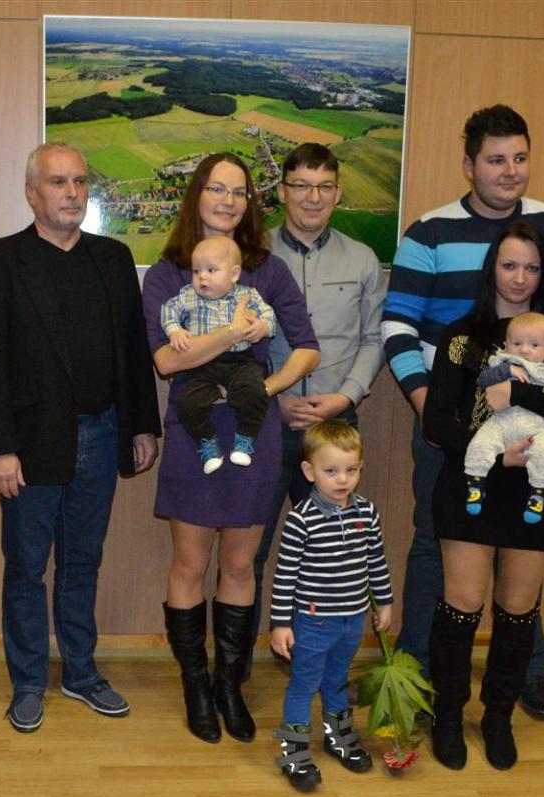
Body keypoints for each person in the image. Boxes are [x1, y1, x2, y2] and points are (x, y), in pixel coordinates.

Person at [381, 104, 544, 718]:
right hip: (449, 420)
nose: (510, 171)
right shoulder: (429, 232)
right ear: (469, 165)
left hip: (536, 428)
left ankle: (526, 674)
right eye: (496, 160)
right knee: (434, 544)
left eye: (520, 158)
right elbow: (398, 327)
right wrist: (431, 408)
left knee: (524, 551)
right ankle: (419, 673)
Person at [0, 142, 161, 733]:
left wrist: (142, 423)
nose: (72, 192)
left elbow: (133, 350)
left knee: (83, 561)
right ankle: (28, 682)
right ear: (32, 193)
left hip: (102, 432)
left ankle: (80, 671)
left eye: (79, 181)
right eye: (58, 182)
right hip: (30, 445)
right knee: (27, 566)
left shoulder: (113, 258)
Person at [144, 152, 320, 744]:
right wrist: (231, 331)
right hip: (194, 430)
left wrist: (265, 389)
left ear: (250, 202)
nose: (227, 200)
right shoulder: (168, 274)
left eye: (239, 191)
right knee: (190, 564)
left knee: (242, 565)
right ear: (196, 194)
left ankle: (228, 687)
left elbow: (307, 348)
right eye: (216, 189)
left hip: (252, 426)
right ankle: (195, 685)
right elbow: (167, 361)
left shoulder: (268, 270)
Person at [422, 220, 544, 771]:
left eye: (531, 267)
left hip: (536, 491)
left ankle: (498, 716)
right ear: (491, 268)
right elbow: (437, 423)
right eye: (509, 265)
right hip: (472, 484)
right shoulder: (462, 336)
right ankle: (447, 714)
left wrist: (517, 392)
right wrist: (499, 455)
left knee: (519, 609)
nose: (519, 278)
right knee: (462, 604)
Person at [250, 142, 386, 676]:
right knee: (251, 549)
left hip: (336, 428)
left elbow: (373, 338)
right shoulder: (252, 256)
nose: (313, 197)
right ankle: (235, 671)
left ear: (338, 193)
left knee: (330, 557)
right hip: (267, 421)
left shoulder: (362, 259)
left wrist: (346, 396)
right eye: (301, 186)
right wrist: (274, 396)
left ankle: (315, 664)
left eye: (324, 186)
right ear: (282, 191)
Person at [269, 420, 392, 791]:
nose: (342, 479)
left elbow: (376, 561)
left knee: (337, 679)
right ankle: (295, 749)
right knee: (304, 684)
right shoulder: (301, 519)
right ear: (309, 472)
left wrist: (384, 603)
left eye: (351, 470)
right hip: (313, 622)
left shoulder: (367, 513)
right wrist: (281, 624)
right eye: (331, 471)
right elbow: (284, 576)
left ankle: (337, 735)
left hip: (353, 619)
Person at [161, 235, 276, 472]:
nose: (202, 277)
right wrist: (175, 331)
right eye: (196, 271)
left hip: (240, 361)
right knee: (187, 402)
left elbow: (269, 316)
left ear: (234, 274)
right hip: (201, 363)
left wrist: (262, 328)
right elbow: (168, 310)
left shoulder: (247, 295)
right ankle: (207, 441)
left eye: (211, 270)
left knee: (254, 392)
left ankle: (245, 438)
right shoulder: (188, 295)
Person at [464, 311, 544, 523]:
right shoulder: (502, 363)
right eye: (517, 343)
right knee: (480, 443)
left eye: (534, 345)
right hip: (501, 422)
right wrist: (506, 370)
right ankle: (475, 485)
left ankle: (538, 496)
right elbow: (483, 379)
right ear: (506, 345)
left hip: (537, 427)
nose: (524, 350)